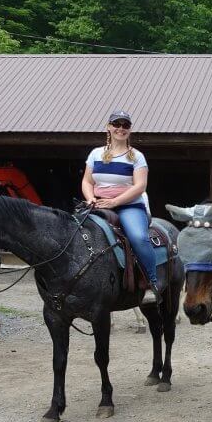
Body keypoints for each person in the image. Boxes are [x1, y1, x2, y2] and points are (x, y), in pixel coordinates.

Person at [81, 110, 160, 304]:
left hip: (129, 206)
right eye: (116, 124)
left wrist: (115, 202)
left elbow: (140, 186)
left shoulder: (137, 157)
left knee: (139, 237)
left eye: (125, 125)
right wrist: (90, 198)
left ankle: (151, 283)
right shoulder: (95, 154)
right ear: (108, 127)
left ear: (130, 130)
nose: (121, 128)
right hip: (98, 203)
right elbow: (87, 181)